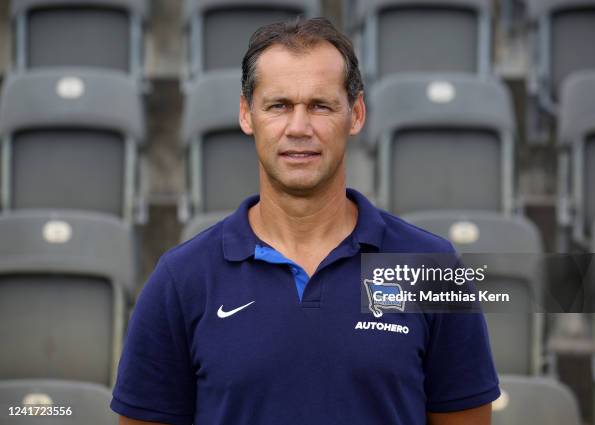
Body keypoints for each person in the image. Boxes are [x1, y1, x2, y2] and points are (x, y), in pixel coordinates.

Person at [111, 17, 499, 425]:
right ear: (247, 115)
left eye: (320, 106)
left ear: (356, 114)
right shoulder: (182, 279)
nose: (299, 128)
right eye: (279, 106)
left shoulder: (430, 268)